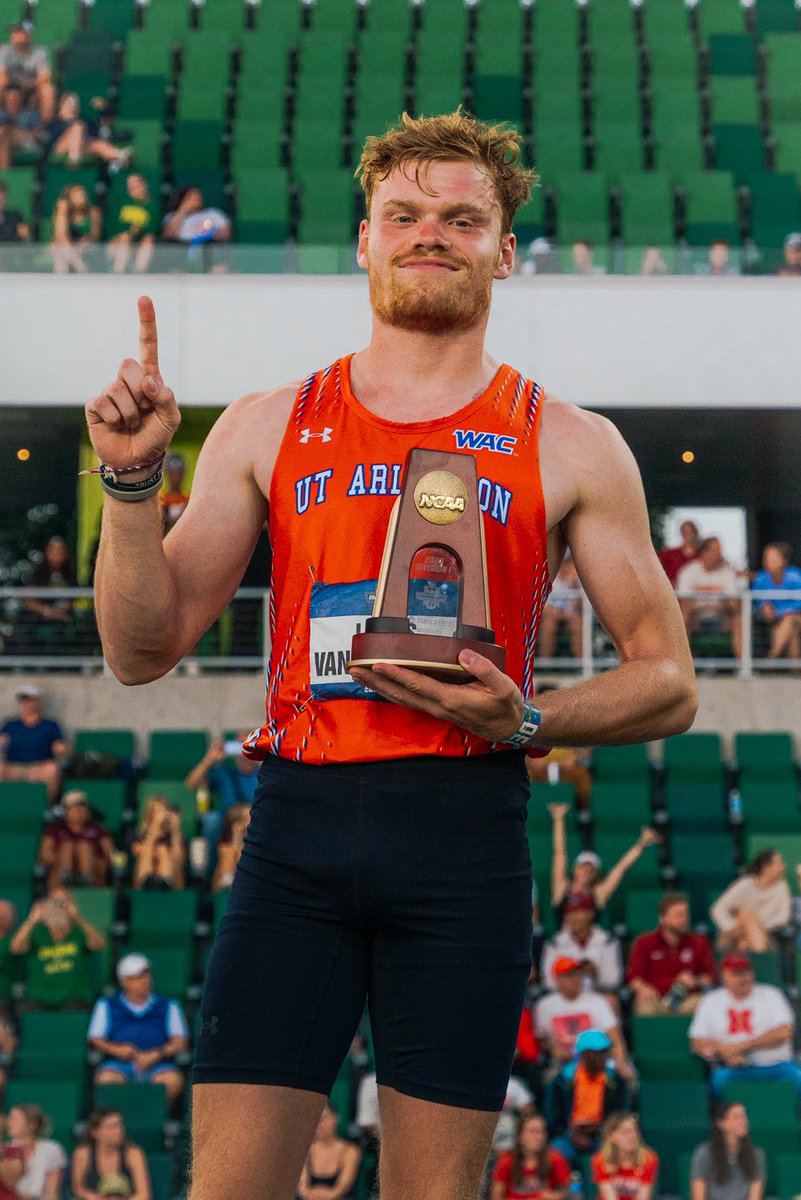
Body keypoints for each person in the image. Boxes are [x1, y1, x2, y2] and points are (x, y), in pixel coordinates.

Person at [86, 110, 697, 1200]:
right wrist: (133, 486)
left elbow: (670, 680)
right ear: (364, 240)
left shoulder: (571, 441)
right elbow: (139, 651)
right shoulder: (267, 423)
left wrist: (525, 720)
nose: (431, 235)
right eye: (404, 215)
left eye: (463, 219)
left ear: (504, 251)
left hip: (465, 839)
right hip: (297, 833)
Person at [689, 953, 800, 1097]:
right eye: (736, 974)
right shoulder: (711, 1000)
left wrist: (739, 1048)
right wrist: (726, 1053)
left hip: (774, 1065)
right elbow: (697, 1041)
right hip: (732, 1068)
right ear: (724, 976)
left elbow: (784, 1032)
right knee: (717, 1082)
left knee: (798, 1078)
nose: (742, 978)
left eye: (746, 972)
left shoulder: (771, 994)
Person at [89, 952, 189, 1107]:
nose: (145, 981)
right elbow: (95, 1040)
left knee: (172, 1080)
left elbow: (180, 1042)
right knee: (106, 1080)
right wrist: (117, 1049)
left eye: (146, 975)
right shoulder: (106, 1005)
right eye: (137, 977)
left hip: (158, 1065)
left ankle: (152, 1118)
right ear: (124, 982)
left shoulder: (169, 1005)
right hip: (118, 1064)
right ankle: (120, 1120)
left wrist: (157, 1054)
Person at [549, 804, 661, 918]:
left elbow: (621, 867)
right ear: (574, 870)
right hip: (562, 930)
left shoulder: (599, 894)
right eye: (582, 867)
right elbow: (559, 853)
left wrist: (642, 843)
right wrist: (558, 819)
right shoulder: (561, 888)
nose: (586, 871)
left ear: (596, 875)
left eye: (591, 869)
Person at [534, 958, 634, 1081]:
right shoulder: (544, 1006)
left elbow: (615, 1036)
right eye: (569, 975)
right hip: (562, 1065)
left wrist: (621, 1062)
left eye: (578, 974)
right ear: (557, 979)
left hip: (597, 1063)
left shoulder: (597, 1001)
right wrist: (553, 1049)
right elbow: (541, 1040)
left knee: (626, 1076)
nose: (575, 979)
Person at [546, 1030, 631, 1167]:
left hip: (604, 1135)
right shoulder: (563, 1080)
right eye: (596, 1053)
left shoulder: (615, 1081)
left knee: (617, 1149)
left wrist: (601, 1130)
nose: (601, 1057)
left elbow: (620, 1114)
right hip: (568, 1135)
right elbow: (553, 1114)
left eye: (604, 1052)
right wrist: (572, 1134)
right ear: (584, 1054)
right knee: (556, 1154)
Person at [10, 889, 104, 1011]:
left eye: (63, 903)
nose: (58, 907)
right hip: (39, 998)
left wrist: (78, 919)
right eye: (54, 902)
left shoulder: (79, 931)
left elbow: (98, 944)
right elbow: (16, 949)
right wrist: (31, 921)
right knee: (27, 1011)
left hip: (74, 998)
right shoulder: (36, 932)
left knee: (75, 1010)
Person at [626, 891, 717, 1015]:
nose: (684, 920)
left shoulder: (698, 942)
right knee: (644, 1005)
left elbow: (710, 977)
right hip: (655, 998)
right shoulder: (644, 942)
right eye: (678, 915)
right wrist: (643, 989)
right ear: (663, 918)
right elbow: (634, 979)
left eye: (686, 915)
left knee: (703, 1003)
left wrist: (695, 980)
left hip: (687, 999)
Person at [710, 850, 791, 953]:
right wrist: (733, 927)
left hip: (764, 936)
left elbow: (782, 918)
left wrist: (756, 926)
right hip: (733, 934)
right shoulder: (745, 884)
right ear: (766, 867)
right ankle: (760, 959)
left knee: (749, 919)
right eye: (780, 863)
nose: (783, 867)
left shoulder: (781, 887)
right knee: (747, 917)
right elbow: (718, 909)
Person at [540, 894, 623, 994]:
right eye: (568, 913)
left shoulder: (608, 941)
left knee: (611, 999)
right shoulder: (554, 943)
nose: (572, 917)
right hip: (563, 997)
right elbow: (548, 983)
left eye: (577, 912)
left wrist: (595, 973)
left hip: (598, 995)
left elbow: (614, 981)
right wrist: (570, 976)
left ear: (590, 913)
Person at [676, 536, 742, 659]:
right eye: (716, 550)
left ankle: (743, 665)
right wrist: (705, 605)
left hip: (721, 619)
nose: (720, 554)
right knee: (683, 617)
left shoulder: (727, 572)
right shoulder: (688, 572)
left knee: (739, 618)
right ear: (704, 553)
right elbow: (683, 603)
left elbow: (734, 602)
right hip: (696, 620)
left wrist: (724, 605)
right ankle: (682, 663)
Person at [0, 683, 68, 803]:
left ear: (38, 701)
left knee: (52, 769)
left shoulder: (50, 725)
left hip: (39, 767)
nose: (26, 703)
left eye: (29, 699)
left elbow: (60, 747)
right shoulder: (10, 725)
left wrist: (61, 749)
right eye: (23, 700)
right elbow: (2, 745)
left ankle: (49, 806)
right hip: (15, 767)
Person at [38, 789, 114, 888]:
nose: (79, 810)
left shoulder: (98, 831)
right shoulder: (55, 831)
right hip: (59, 872)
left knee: (84, 847)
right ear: (65, 810)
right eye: (74, 807)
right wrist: (63, 856)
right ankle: (66, 880)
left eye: (82, 806)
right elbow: (45, 856)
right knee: (67, 847)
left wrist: (94, 860)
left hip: (94, 872)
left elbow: (110, 856)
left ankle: (86, 881)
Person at [71, 1107, 152, 1200]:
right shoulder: (83, 1154)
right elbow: (78, 1188)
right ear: (95, 1132)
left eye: (120, 1125)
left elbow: (144, 1194)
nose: (119, 1131)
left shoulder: (133, 1153)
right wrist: (92, 1197)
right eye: (111, 1127)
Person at [690, 1102, 765, 1200]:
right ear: (721, 1123)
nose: (744, 1121)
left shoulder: (756, 1154)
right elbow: (698, 1195)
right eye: (737, 1117)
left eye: (744, 1116)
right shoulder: (703, 1153)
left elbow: (755, 1194)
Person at [490, 1111, 570, 1200]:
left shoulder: (556, 1159)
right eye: (533, 1132)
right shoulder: (506, 1161)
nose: (539, 1137)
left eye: (542, 1132)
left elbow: (567, 1192)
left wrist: (555, 1196)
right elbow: (496, 1197)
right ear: (520, 1136)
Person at [46, 92, 131, 169]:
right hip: (61, 147)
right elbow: (50, 138)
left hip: (84, 145)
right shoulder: (56, 122)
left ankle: (120, 156)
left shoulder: (84, 120)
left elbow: (100, 130)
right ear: (61, 104)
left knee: (97, 144)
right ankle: (74, 160)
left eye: (75, 101)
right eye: (69, 101)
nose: (73, 104)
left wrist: (102, 108)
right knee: (77, 127)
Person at [295, 1103, 361, 1200]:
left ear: (335, 1118)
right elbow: (302, 1187)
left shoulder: (350, 1150)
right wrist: (310, 1195)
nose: (318, 1125)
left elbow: (343, 1186)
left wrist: (327, 1195)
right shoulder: (304, 1150)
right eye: (314, 1120)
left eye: (322, 1119)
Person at [6, 1103, 68, 1200]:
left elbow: (52, 1194)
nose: (9, 1123)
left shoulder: (51, 1149)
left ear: (32, 1125)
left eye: (14, 1119)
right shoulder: (4, 1151)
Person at [751, 542, 801, 661]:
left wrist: (780, 612)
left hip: (795, 617)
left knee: (790, 620)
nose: (769, 561)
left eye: (773, 557)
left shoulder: (796, 576)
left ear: (784, 560)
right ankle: (794, 666)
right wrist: (764, 606)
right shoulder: (761, 578)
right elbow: (757, 600)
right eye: (766, 557)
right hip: (773, 621)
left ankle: (772, 657)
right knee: (791, 631)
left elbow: (798, 604)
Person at [592, 1113, 659, 1200]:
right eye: (624, 1132)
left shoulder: (649, 1159)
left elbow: (643, 1196)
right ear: (610, 1136)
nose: (631, 1136)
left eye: (634, 1131)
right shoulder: (600, 1159)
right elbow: (609, 1196)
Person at [0, 21, 55, 123]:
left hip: (32, 87)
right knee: (1, 82)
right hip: (10, 85)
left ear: (29, 35)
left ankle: (46, 125)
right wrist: (16, 84)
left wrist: (27, 85)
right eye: (14, 32)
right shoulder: (4, 50)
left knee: (48, 89)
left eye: (20, 33)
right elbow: (2, 74)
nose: (16, 35)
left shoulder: (39, 52)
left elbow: (45, 76)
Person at [131, 795, 186, 890]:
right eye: (157, 811)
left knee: (163, 850)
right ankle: (146, 881)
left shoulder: (174, 837)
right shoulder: (141, 837)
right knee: (154, 852)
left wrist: (174, 829)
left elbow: (180, 859)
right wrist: (155, 826)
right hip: (145, 876)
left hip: (173, 879)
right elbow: (138, 851)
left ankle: (166, 881)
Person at [106, 172, 157, 275]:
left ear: (144, 185)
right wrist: (130, 233)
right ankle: (118, 273)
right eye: (129, 185)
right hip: (117, 246)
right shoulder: (121, 205)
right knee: (125, 237)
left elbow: (152, 231)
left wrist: (137, 231)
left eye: (135, 184)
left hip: (139, 246)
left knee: (148, 239)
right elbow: (113, 231)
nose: (132, 187)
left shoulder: (152, 207)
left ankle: (139, 273)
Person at [536, 554, 583, 661]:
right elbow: (543, 605)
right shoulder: (550, 574)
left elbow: (579, 605)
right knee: (549, 623)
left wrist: (575, 584)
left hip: (568, 614)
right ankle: (545, 662)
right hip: (550, 613)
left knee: (577, 624)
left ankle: (581, 663)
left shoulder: (575, 578)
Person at [51, 181, 101, 274]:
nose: (82, 196)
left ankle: (64, 278)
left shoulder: (93, 212)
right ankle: (82, 270)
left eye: (83, 194)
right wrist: (62, 210)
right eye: (77, 195)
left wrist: (86, 240)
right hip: (65, 246)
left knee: (62, 250)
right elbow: (60, 235)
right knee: (61, 248)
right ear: (69, 198)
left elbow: (96, 235)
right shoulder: (63, 212)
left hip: (86, 246)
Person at [161, 186, 231, 245]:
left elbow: (226, 234)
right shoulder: (172, 216)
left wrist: (209, 232)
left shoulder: (213, 214)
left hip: (208, 248)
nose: (196, 200)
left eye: (198, 196)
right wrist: (183, 210)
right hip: (180, 250)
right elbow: (168, 236)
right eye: (191, 197)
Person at [0, 85, 41, 172]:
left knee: (5, 131)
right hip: (4, 140)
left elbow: (37, 134)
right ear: (5, 99)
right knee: (4, 136)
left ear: (20, 99)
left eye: (15, 98)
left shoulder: (30, 114)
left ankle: (3, 176)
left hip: (25, 142)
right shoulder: (1, 114)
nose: (13, 100)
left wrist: (16, 132)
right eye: (10, 99)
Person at [211, 804, 251, 892]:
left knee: (240, 853)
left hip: (248, 883)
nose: (250, 820)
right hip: (221, 883)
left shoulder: (258, 839)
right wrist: (236, 836)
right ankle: (227, 882)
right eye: (245, 818)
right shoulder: (225, 842)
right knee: (228, 850)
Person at [658, 520, 701, 588]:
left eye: (689, 532)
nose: (687, 535)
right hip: (673, 590)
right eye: (684, 532)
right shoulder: (670, 553)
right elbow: (654, 564)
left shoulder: (702, 555)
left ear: (695, 533)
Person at [159, 452, 191, 532]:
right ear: (167, 474)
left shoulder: (189, 501)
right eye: (173, 472)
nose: (176, 476)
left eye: (178, 472)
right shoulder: (160, 501)